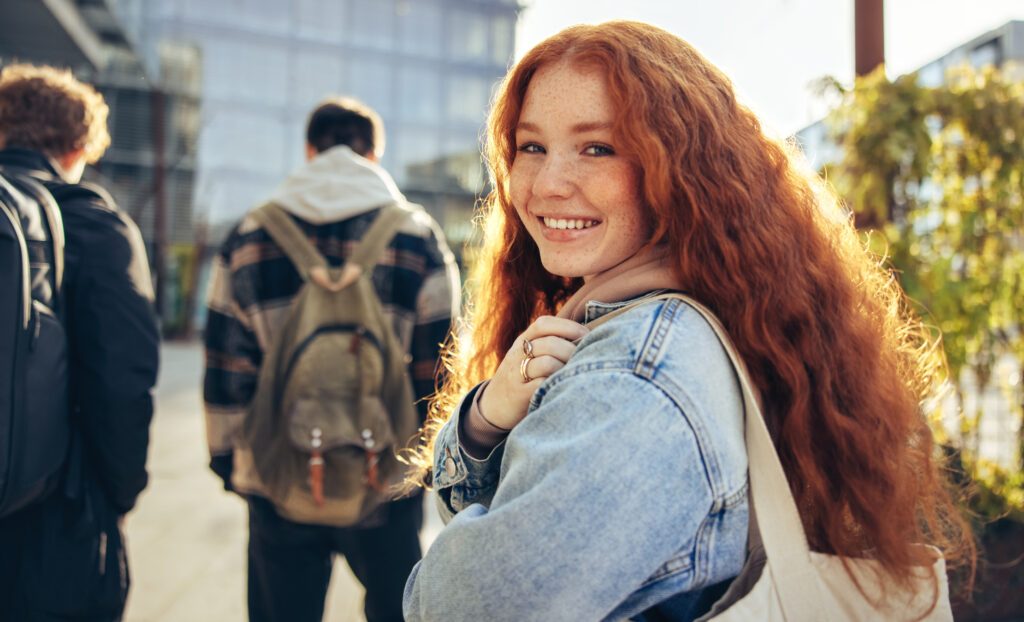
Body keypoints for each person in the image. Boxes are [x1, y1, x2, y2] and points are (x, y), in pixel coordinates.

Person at [401, 20, 975, 621]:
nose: (547, 184)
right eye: (531, 147)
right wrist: (488, 416)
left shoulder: (639, 370)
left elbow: (458, 608)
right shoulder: (737, 310)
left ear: (678, 168)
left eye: (598, 148)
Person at [203, 95, 460, 622]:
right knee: (398, 609)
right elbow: (440, 370)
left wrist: (231, 461)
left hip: (278, 470)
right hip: (384, 471)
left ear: (309, 149)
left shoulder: (252, 234)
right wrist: (426, 466)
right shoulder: (416, 235)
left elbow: (227, 362)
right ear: (375, 153)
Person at [0, 63, 160, 621]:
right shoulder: (95, 226)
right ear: (78, 147)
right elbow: (124, 382)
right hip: (57, 517)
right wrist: (116, 495)